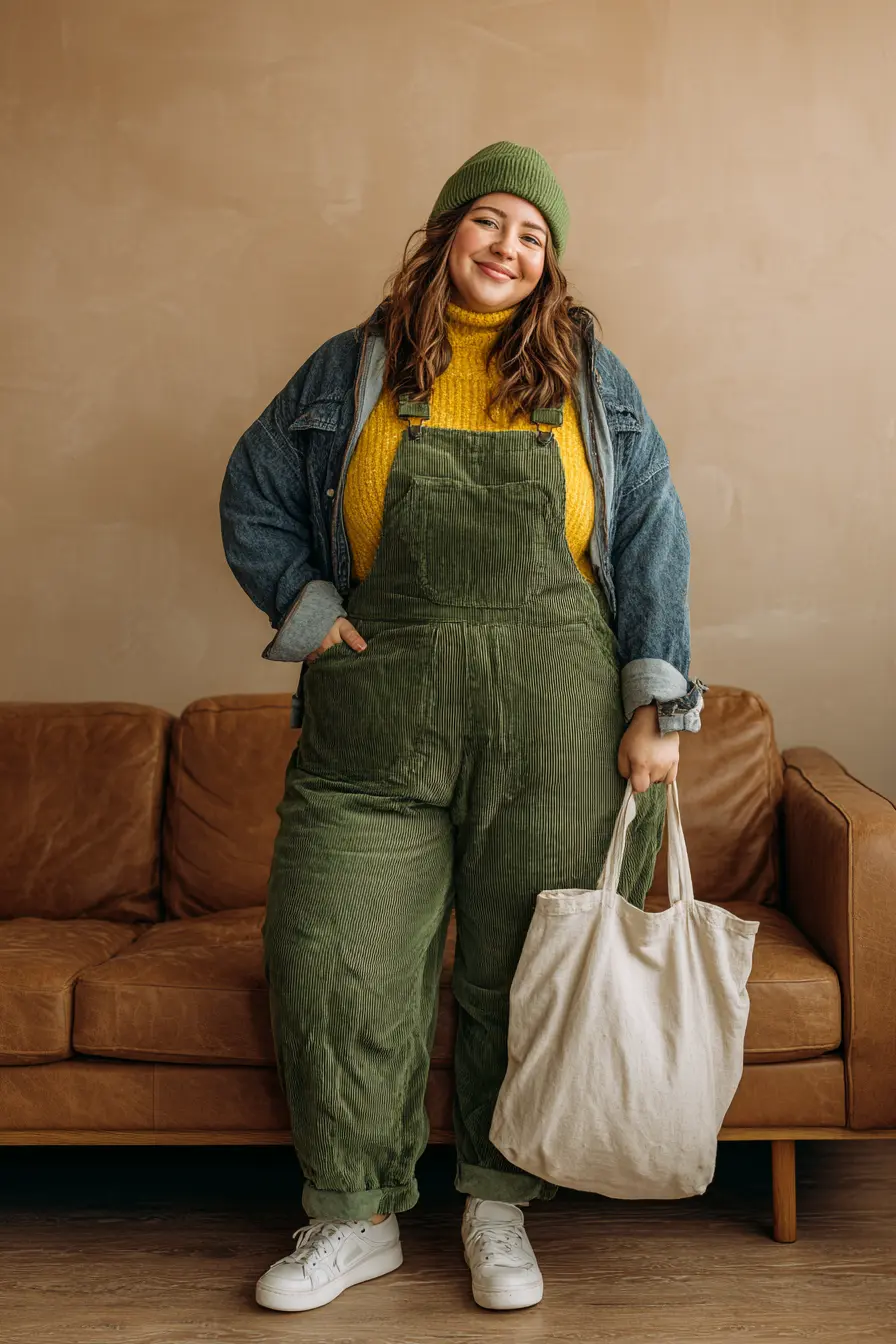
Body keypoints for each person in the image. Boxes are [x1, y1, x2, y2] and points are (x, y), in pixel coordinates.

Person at [219, 140, 706, 1315]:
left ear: (549, 264)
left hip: (557, 716)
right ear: (443, 236)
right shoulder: (351, 369)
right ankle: (353, 1215)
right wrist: (310, 608)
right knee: (335, 962)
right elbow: (252, 488)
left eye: (532, 235)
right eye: (488, 222)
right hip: (375, 721)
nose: (508, 248)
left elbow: (647, 534)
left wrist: (657, 702)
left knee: (519, 974)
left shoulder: (592, 377)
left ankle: (497, 1204)